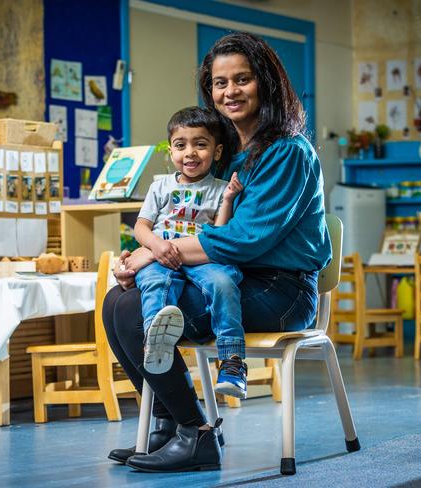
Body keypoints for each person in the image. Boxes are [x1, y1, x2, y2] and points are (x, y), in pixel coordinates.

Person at [104, 31, 332, 473]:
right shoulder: (230, 158)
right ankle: (168, 423)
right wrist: (138, 254)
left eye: (242, 79)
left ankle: (197, 434)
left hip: (281, 292)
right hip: (233, 278)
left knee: (133, 311)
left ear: (265, 83)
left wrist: (153, 254)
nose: (230, 91)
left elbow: (245, 239)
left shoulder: (288, 152)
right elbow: (186, 225)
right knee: (115, 303)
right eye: (219, 82)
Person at [134, 106, 246, 400]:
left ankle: (232, 361)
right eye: (181, 145)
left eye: (200, 144)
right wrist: (157, 247)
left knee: (223, 282)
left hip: (200, 258)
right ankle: (156, 344)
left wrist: (229, 200)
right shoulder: (160, 187)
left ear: (217, 151)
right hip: (161, 257)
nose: (190, 153)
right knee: (156, 283)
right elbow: (141, 228)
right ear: (171, 151)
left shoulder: (222, 188)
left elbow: (219, 233)